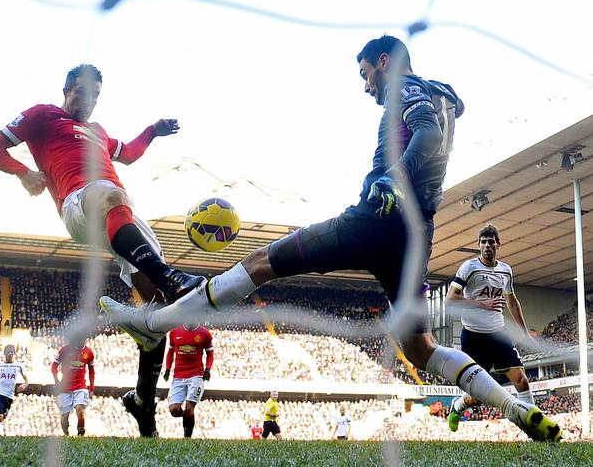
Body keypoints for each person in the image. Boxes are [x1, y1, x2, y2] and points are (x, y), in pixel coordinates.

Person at [99, 35, 561, 442]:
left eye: (366, 74)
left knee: (261, 262)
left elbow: (427, 130)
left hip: (375, 219)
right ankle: (515, 407)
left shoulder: (407, 86)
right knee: (420, 349)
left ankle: (152, 324)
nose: (367, 87)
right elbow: (440, 126)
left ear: (384, 61)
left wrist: (393, 179)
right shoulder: (442, 95)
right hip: (416, 234)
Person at [0, 64, 205, 437]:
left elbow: (128, 154)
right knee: (113, 197)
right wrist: (23, 171)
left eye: (97, 95)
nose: (90, 101)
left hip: (120, 215)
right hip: (79, 203)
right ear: (68, 89)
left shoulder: (98, 133)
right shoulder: (42, 115)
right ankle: (172, 276)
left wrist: (152, 131)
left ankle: (143, 402)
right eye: (84, 93)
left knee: (158, 311)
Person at [446, 224, 535, 432]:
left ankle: (534, 427)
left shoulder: (505, 270)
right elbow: (450, 299)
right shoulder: (469, 268)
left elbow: (512, 302)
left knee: (522, 381)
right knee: (477, 397)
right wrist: (482, 304)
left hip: (499, 334)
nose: (487, 245)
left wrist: (524, 332)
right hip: (474, 337)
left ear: (498, 245)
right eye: (484, 242)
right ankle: (457, 405)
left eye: (491, 242)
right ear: (478, 245)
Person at [162, 323, 214, 438]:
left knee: (189, 408)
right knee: (174, 410)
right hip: (179, 376)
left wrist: (208, 369)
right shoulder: (174, 332)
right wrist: (167, 369)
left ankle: (187, 437)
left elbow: (210, 353)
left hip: (196, 374)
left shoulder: (205, 333)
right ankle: (187, 417)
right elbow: (170, 352)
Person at [51, 339, 95, 436]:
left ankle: (80, 435)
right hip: (64, 387)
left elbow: (91, 370)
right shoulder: (64, 350)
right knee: (64, 416)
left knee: (80, 409)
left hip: (80, 386)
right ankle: (66, 436)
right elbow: (54, 366)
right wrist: (56, 381)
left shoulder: (89, 352)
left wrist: (91, 388)